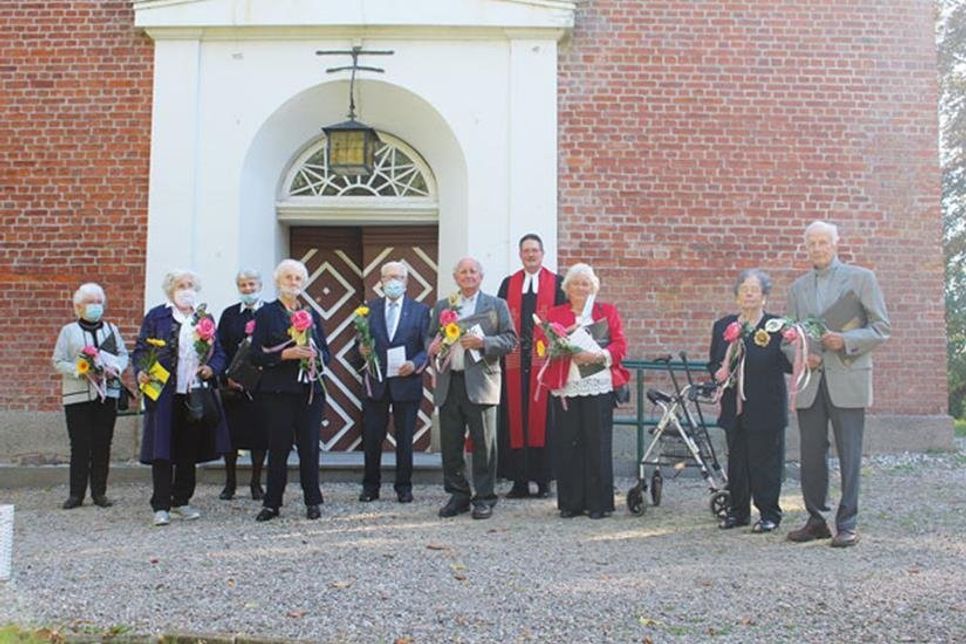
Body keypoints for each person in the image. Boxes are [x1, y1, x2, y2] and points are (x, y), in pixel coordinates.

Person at [785, 221, 890, 547]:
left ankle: (847, 523)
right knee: (811, 455)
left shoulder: (862, 279)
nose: (817, 248)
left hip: (848, 379)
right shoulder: (797, 289)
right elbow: (787, 338)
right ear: (806, 247)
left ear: (835, 244)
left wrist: (844, 340)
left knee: (850, 453)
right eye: (812, 243)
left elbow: (881, 328)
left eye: (823, 242)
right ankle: (816, 520)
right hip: (811, 382)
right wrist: (802, 356)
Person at [134, 270, 231, 526]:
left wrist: (213, 369)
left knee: (188, 450)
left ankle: (182, 500)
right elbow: (142, 349)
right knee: (162, 450)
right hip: (165, 393)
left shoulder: (203, 318)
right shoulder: (157, 316)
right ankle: (161, 504)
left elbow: (218, 352)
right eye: (181, 285)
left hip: (194, 392)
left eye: (190, 285)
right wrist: (141, 370)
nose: (186, 289)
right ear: (171, 289)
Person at [428, 257, 517, 520]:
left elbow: (510, 340)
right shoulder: (444, 305)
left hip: (482, 382)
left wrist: (483, 342)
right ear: (455, 277)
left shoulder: (496, 305)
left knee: (484, 443)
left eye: (473, 272)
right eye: (463, 272)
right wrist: (430, 347)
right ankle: (458, 495)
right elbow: (429, 335)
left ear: (481, 276)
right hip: (450, 381)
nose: (468, 276)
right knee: (451, 443)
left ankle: (485, 497)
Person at [708, 269, 792, 533]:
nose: (748, 294)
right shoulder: (724, 326)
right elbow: (714, 361)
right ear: (736, 296)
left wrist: (795, 344)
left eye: (754, 289)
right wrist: (718, 373)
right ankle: (738, 511)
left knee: (765, 462)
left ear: (765, 296)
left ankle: (769, 514)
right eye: (743, 289)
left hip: (766, 405)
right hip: (734, 406)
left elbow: (788, 363)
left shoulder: (776, 326)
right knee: (737, 461)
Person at [543, 263, 629, 519]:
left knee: (597, 443)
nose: (581, 288)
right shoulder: (556, 314)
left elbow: (620, 345)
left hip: (599, 383)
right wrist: (558, 346)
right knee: (568, 442)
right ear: (567, 288)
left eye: (586, 284)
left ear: (594, 288)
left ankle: (599, 504)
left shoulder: (607, 311)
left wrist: (597, 355)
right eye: (576, 283)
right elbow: (543, 348)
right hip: (567, 385)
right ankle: (570, 503)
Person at [250, 259, 331, 522]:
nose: (293, 283)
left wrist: (315, 355)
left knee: (309, 448)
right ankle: (272, 502)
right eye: (288, 278)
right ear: (278, 281)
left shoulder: (311, 314)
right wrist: (286, 354)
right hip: (279, 392)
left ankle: (312, 500)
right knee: (279, 448)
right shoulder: (266, 314)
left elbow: (327, 354)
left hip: (309, 392)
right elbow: (255, 355)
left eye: (297, 279)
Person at [497, 234, 565, 499]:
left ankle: (545, 479)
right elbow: (501, 319)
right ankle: (519, 481)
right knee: (515, 420)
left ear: (543, 253)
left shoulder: (557, 284)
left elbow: (561, 322)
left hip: (543, 363)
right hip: (514, 363)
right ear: (520, 254)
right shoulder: (508, 284)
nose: (531, 255)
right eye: (526, 251)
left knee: (545, 421)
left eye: (535, 250)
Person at [357, 261, 431, 504]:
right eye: (389, 277)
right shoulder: (369, 309)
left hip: (406, 382)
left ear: (406, 281)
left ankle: (404, 486)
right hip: (376, 384)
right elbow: (359, 343)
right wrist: (363, 350)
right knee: (372, 438)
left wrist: (415, 363)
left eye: (398, 277)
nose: (393, 281)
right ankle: (370, 486)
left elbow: (426, 349)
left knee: (405, 439)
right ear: (381, 281)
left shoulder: (420, 311)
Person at [52, 283, 129, 509]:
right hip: (78, 395)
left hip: (106, 395)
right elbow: (58, 360)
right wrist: (80, 370)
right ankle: (76, 494)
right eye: (89, 302)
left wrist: (116, 368)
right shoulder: (69, 331)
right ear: (78, 306)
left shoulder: (111, 330)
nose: (95, 306)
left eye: (98, 302)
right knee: (80, 445)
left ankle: (99, 493)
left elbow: (123, 355)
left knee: (102, 444)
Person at [216, 269, 268, 501]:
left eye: (252, 284)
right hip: (232, 386)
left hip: (260, 386)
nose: (248, 289)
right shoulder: (229, 315)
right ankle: (230, 484)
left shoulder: (268, 313)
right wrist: (227, 377)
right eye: (243, 285)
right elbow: (220, 347)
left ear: (260, 285)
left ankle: (256, 483)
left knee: (259, 436)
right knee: (232, 437)